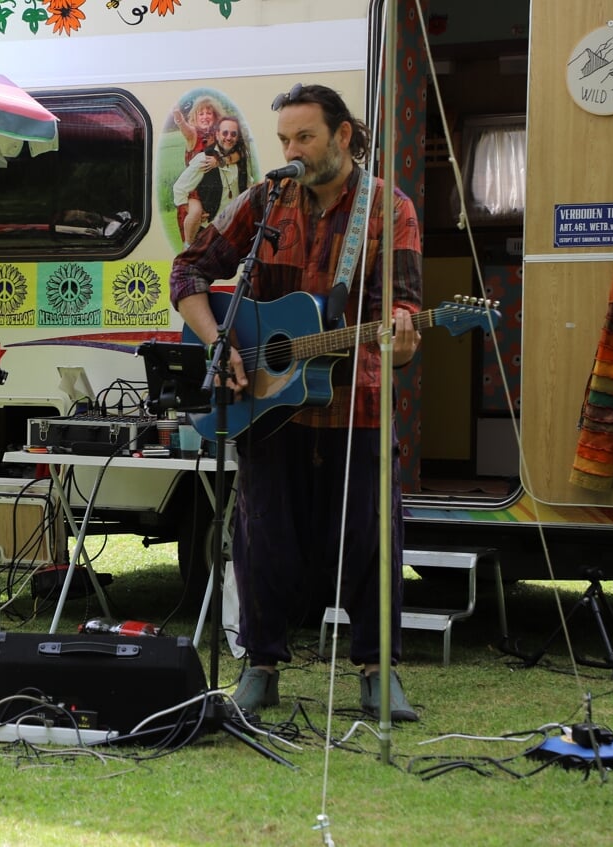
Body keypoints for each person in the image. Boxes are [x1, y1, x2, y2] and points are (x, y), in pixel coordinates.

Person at [169, 83, 422, 721]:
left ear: (342, 136)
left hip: (354, 405)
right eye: (284, 139)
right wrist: (220, 344)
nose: (292, 150)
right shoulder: (266, 201)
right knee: (262, 537)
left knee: (369, 537)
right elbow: (188, 273)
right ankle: (260, 668)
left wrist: (401, 336)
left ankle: (376, 671)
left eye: (304, 137)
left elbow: (404, 319)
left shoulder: (387, 209)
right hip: (266, 407)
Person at [172, 114, 251, 245]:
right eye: (225, 133)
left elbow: (248, 185)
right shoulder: (204, 159)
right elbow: (179, 188)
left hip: (235, 229)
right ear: (218, 134)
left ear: (238, 137)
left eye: (233, 134)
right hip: (209, 231)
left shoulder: (243, 159)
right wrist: (189, 210)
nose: (229, 137)